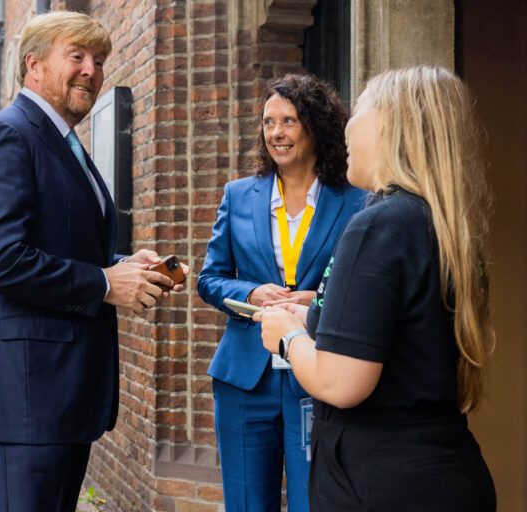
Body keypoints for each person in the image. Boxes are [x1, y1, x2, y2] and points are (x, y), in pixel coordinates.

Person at [0, 11, 186, 512]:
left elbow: (59, 246)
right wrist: (104, 283)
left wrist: (126, 266)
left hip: (57, 400)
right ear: (33, 65)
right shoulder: (6, 135)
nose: (91, 70)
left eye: (98, 60)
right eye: (76, 56)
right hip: (20, 403)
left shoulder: (62, 143)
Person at [254, 66, 496, 511]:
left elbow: (340, 381)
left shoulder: (379, 224)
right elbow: (401, 334)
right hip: (446, 469)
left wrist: (288, 336)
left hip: (379, 481)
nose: (347, 126)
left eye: (360, 108)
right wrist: (313, 315)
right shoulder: (441, 223)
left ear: (390, 124)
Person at [197, 75, 366, 512]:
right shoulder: (238, 196)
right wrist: (252, 292)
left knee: (315, 502)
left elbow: (361, 285)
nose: (276, 132)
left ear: (317, 126)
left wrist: (318, 301)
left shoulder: (356, 201)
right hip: (244, 379)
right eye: (268, 122)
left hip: (317, 375)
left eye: (289, 120)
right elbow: (210, 279)